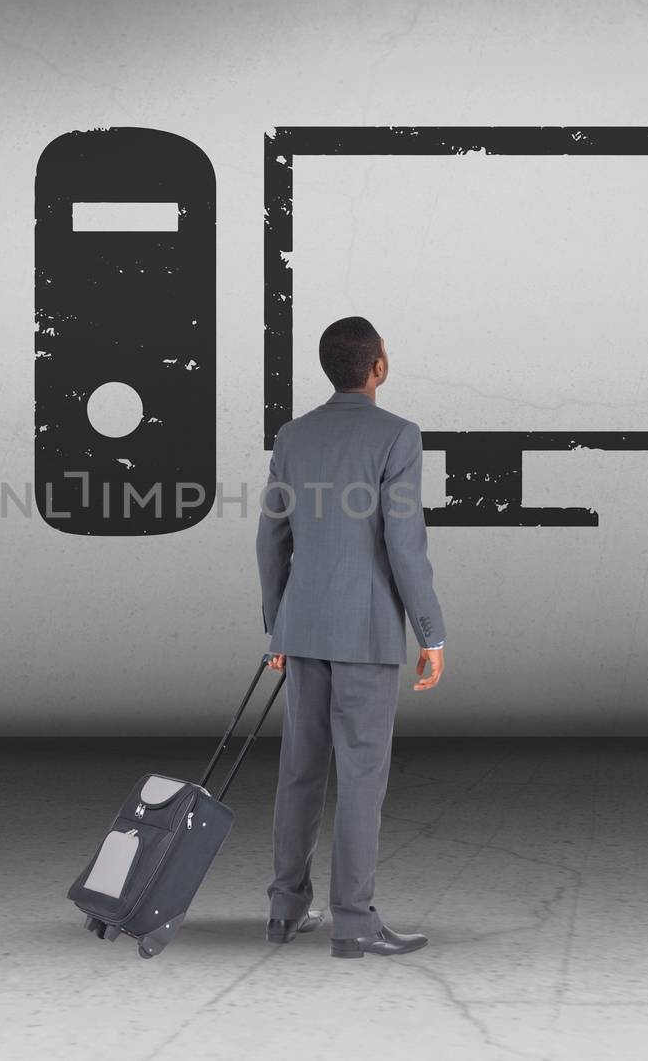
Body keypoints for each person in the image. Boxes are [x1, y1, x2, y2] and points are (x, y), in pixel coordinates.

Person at [255, 315, 446, 959]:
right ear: (378, 366)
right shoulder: (398, 437)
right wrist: (430, 632)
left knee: (300, 770)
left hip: (303, 628)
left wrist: (276, 624)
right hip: (365, 633)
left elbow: (271, 539)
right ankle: (354, 923)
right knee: (362, 775)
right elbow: (404, 544)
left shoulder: (293, 436)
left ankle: (284, 911)